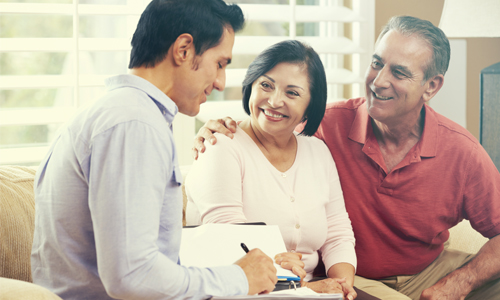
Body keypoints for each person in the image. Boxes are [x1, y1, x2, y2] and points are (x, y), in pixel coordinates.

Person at [192, 16, 500, 300]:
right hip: (361, 277)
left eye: (399, 72)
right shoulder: (327, 126)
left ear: (431, 86)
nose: (378, 81)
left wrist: (462, 281)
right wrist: (217, 129)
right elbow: (269, 124)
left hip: (430, 269)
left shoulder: (462, 152)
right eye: (377, 63)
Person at [30, 0, 278, 299]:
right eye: (220, 64)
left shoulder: (117, 113)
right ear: (184, 49)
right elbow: (132, 276)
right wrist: (238, 278)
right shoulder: (134, 123)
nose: (221, 82)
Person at [184, 40, 358, 299]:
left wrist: (342, 285)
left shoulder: (318, 151)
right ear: (250, 86)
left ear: (311, 105)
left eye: (292, 93)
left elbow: (337, 233)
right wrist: (303, 288)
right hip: (240, 291)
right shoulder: (221, 145)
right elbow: (232, 245)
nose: (274, 101)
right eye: (266, 85)